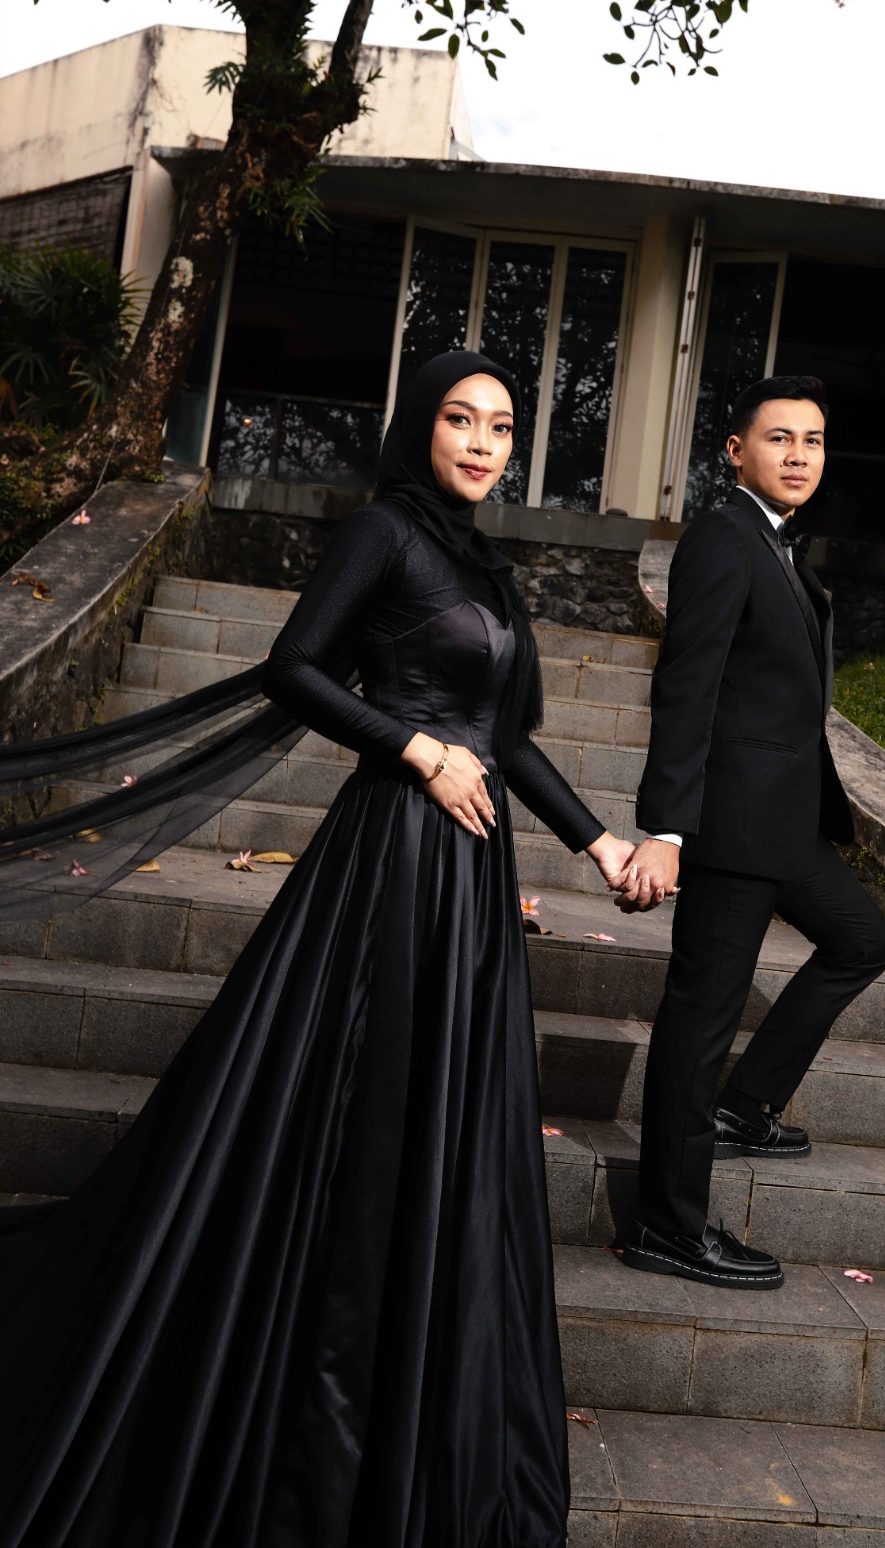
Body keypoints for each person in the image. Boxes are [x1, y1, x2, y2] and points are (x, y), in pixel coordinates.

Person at [0, 351, 636, 1548]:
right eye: (459, 418)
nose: (481, 442)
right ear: (420, 425)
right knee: (365, 1107)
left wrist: (597, 842)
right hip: (393, 862)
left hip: (471, 882)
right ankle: (323, 1378)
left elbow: (503, 737)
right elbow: (293, 670)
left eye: (502, 426)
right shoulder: (384, 533)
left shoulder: (483, 565)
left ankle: (411, 1371)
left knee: (439, 1120)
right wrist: (412, 748)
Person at [616, 374, 885, 1290]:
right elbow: (686, 686)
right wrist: (666, 830)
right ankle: (667, 1224)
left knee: (861, 939)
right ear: (735, 451)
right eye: (780, 438)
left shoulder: (776, 545)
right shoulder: (723, 537)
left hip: (784, 823)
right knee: (701, 1018)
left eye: (813, 440)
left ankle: (746, 1104)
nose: (799, 455)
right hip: (727, 826)